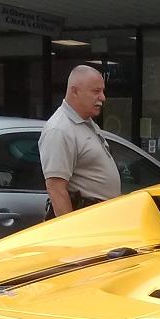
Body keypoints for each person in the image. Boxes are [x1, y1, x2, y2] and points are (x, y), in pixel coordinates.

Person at [39, 65, 121, 218]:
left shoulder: (87, 123)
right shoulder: (60, 129)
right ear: (75, 91)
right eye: (96, 91)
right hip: (85, 222)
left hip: (101, 219)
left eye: (102, 91)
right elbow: (57, 190)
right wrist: (73, 236)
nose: (103, 97)